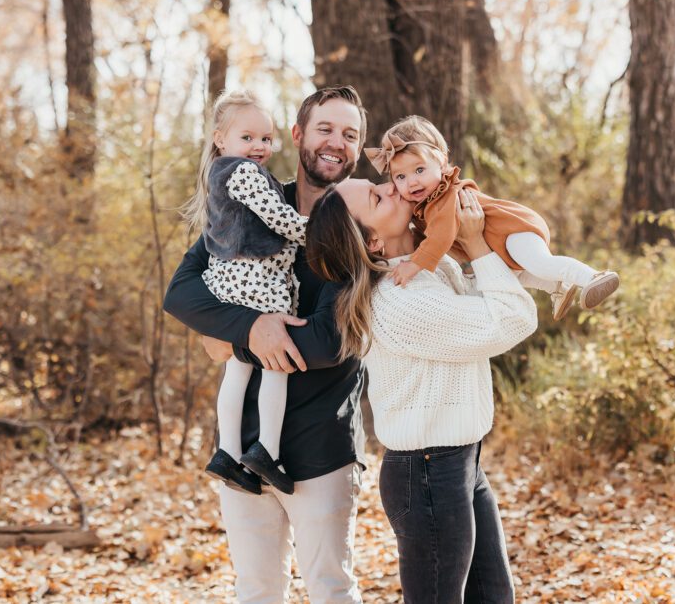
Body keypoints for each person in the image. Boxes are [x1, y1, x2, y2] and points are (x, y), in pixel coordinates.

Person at [164, 85, 367, 604]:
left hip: (322, 447)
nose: (335, 143)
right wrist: (249, 330)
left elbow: (329, 341)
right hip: (240, 447)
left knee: (331, 590)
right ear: (297, 136)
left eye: (350, 134)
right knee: (255, 591)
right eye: (325, 129)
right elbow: (184, 291)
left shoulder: (362, 226)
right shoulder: (251, 198)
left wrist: (233, 340)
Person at [305, 178, 538, 603]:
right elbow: (513, 318)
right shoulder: (400, 299)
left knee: (495, 597)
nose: (393, 187)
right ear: (372, 241)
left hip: (461, 462)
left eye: (379, 183)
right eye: (378, 198)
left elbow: (494, 294)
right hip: (429, 474)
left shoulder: (428, 268)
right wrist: (478, 247)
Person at [365, 115, 619, 320]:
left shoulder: (446, 196)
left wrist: (414, 264)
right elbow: (425, 237)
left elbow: (440, 236)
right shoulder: (425, 206)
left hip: (513, 230)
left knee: (539, 263)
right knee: (518, 275)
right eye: (401, 177)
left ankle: (592, 277)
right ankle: (557, 288)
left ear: (442, 163)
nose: (412, 182)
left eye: (419, 170)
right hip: (499, 247)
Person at [179, 90, 307, 496]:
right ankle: (267, 451)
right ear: (221, 138)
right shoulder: (244, 174)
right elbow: (280, 219)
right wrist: (320, 230)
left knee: (238, 369)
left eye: (266, 139)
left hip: (228, 280)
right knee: (276, 364)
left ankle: (227, 452)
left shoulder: (218, 172)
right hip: (255, 279)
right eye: (248, 137)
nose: (259, 147)